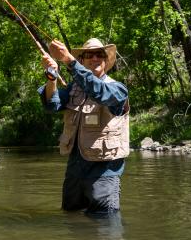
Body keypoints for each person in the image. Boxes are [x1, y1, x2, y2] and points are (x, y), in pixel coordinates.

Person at [40, 38, 129, 215]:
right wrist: (52, 77)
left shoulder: (117, 89)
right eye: (89, 54)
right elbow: (52, 104)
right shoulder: (74, 88)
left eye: (100, 54)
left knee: (106, 226)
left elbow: (99, 91)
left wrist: (68, 61)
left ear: (105, 60)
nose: (95, 58)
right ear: (82, 60)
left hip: (104, 172)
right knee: (71, 219)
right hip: (75, 171)